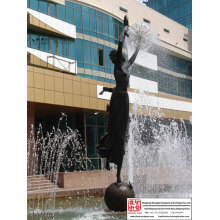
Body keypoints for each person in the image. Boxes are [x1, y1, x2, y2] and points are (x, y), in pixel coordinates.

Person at [97, 16, 140, 183]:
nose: (114, 58)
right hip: (117, 99)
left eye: (113, 57)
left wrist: (138, 45)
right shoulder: (117, 67)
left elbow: (133, 58)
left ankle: (118, 174)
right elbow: (120, 45)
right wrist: (124, 29)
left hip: (124, 98)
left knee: (123, 134)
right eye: (114, 56)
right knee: (115, 130)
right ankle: (109, 160)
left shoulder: (126, 67)